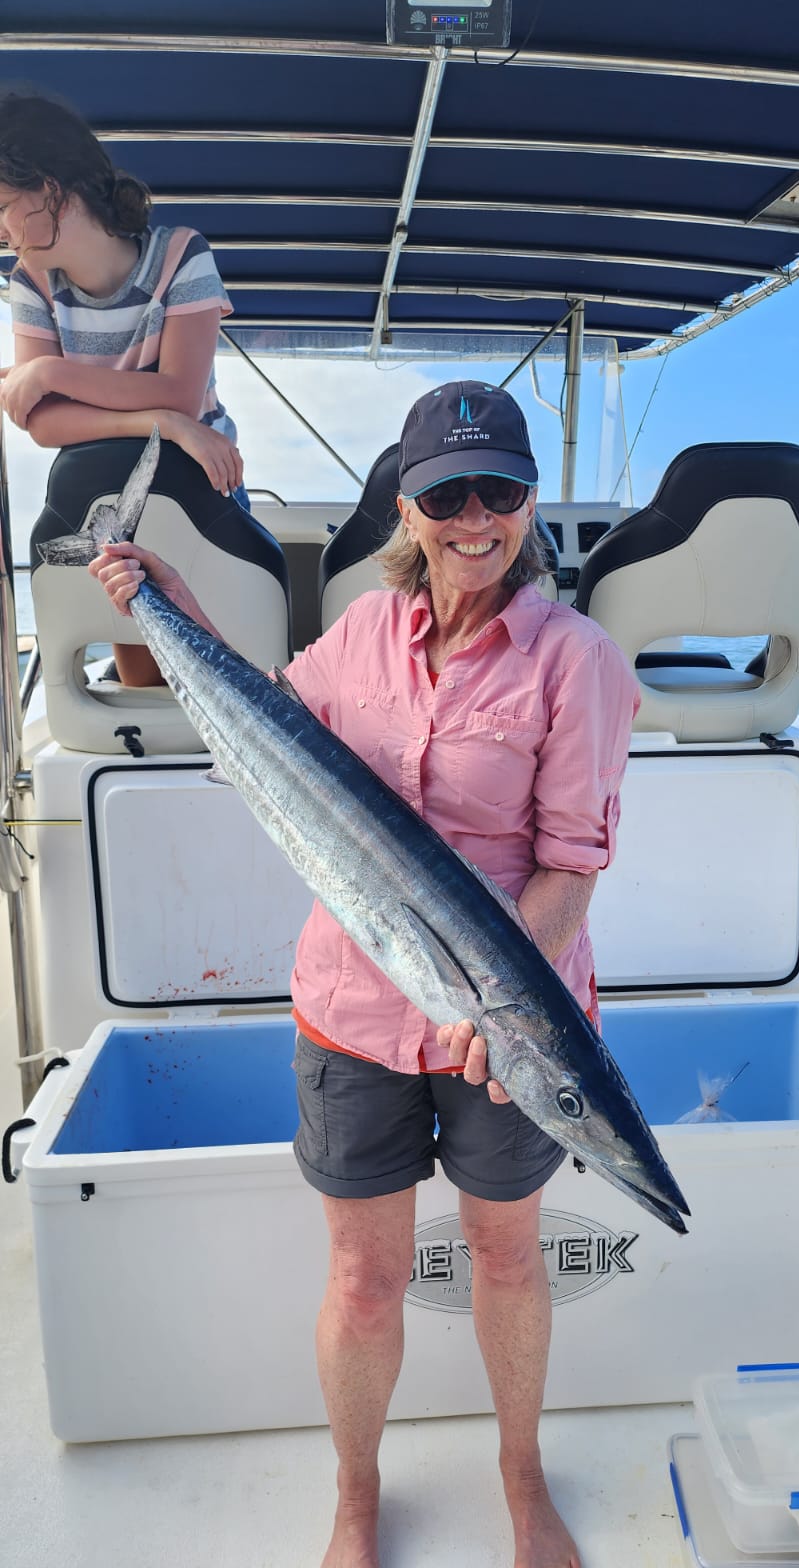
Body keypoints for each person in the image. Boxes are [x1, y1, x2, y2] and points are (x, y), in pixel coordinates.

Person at [90, 380, 639, 1568]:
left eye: (502, 489)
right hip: (350, 1007)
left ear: (532, 500)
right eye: (450, 492)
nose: (477, 517)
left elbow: (572, 870)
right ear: (410, 504)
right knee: (363, 1274)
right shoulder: (361, 634)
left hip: (511, 1022)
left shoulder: (575, 661)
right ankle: (355, 1496)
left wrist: (504, 999)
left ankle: (521, 1474)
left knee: (504, 1252)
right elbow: (275, 733)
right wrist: (175, 614)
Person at [0, 88, 245, 685]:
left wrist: (52, 373)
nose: (2, 228)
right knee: (146, 697)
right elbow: (40, 424)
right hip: (105, 504)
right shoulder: (31, 281)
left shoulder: (182, 256)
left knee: (212, 675)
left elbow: (181, 393)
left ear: (49, 189)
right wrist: (157, 423)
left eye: (3, 204)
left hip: (200, 491)